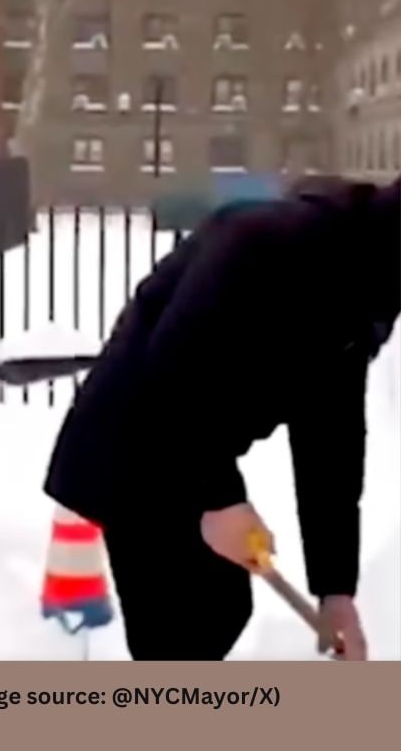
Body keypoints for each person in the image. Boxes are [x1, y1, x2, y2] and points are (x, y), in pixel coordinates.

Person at [45, 176, 400, 661]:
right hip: (130, 450)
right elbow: (175, 365)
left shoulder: (364, 291)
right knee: (193, 625)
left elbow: (330, 443)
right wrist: (219, 497)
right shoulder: (266, 243)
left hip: (187, 456)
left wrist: (335, 590)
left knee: (214, 616)